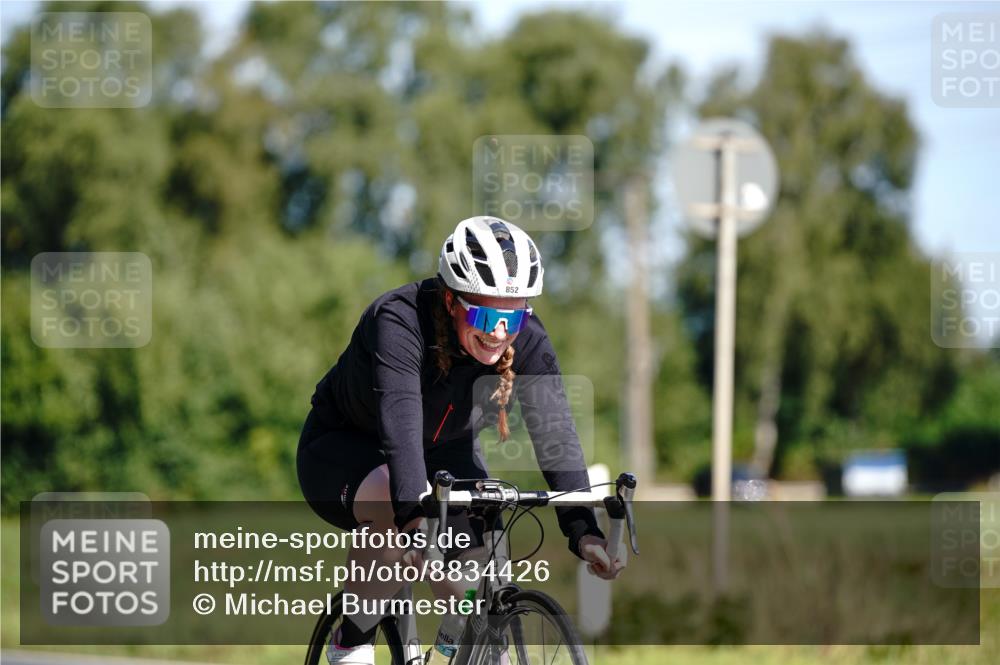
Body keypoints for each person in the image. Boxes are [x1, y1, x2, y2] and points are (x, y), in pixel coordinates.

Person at [298, 216, 623, 664]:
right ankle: (350, 644)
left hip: (445, 454)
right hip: (345, 447)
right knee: (400, 517)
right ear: (451, 299)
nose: (498, 332)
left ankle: (466, 651)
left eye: (513, 316)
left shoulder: (524, 337)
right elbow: (401, 427)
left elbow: (556, 432)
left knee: (480, 570)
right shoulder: (399, 320)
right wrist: (418, 529)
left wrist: (583, 530)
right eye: (486, 315)